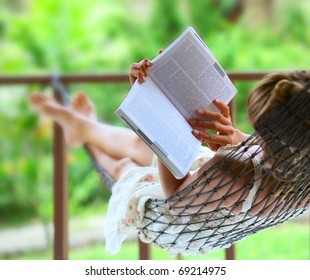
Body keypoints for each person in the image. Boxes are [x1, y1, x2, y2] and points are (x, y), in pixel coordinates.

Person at [29, 60, 310, 256]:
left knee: (126, 165)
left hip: (177, 216)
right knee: (138, 144)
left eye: (256, 127)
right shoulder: (300, 161)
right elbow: (266, 156)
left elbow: (173, 195)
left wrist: (163, 132)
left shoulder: (230, 171)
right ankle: (84, 129)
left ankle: (84, 132)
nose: (252, 132)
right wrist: (235, 136)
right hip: (215, 191)